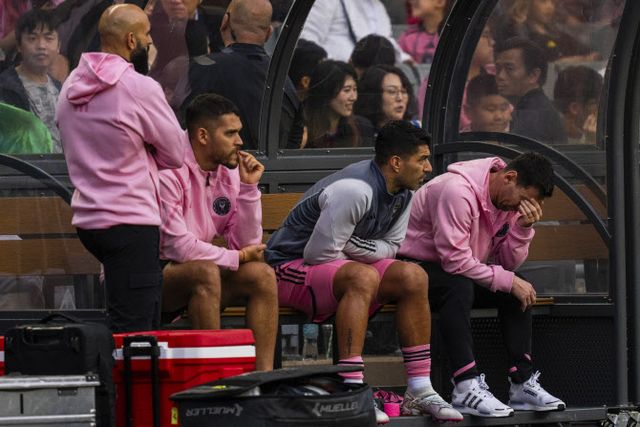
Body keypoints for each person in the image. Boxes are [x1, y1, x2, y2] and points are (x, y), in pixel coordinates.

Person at [266, 121, 464, 424]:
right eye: (422, 159)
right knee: (363, 276)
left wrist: (348, 245)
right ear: (396, 163)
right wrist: (359, 251)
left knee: (413, 276)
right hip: (287, 268)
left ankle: (420, 388)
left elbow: (391, 248)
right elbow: (317, 254)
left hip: (336, 268)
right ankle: (352, 387)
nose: (428, 168)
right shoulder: (355, 190)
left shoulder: (405, 192)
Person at [398, 152, 565, 417]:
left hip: (456, 272)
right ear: (509, 177)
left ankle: (522, 383)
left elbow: (506, 264)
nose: (520, 208)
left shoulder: (507, 203)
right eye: (523, 200)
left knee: (517, 289)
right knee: (460, 285)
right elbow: (454, 260)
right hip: (410, 270)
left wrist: (522, 229)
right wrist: (507, 280)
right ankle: (465, 386)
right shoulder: (457, 191)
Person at [56, 4, 185, 332]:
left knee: (123, 319)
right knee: (135, 332)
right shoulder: (139, 87)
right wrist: (146, 148)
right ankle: (123, 369)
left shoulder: (70, 85)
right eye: (146, 34)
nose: (150, 41)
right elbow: (176, 153)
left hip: (89, 221)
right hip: (131, 221)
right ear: (131, 40)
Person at [159, 94, 278, 371]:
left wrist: (249, 190)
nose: (240, 141)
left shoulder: (228, 173)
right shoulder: (169, 170)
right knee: (205, 272)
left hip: (201, 280)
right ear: (203, 136)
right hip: (154, 279)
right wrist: (236, 257)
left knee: (261, 275)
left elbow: (246, 244)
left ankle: (262, 381)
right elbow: (177, 247)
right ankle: (216, 379)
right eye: (230, 133)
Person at [185, 0, 303, 150]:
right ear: (269, 33)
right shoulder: (284, 81)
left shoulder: (201, 68)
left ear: (225, 22)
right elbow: (294, 140)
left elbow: (180, 129)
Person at [0, 9, 62, 152]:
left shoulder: (61, 88)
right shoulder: (5, 88)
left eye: (49, 38)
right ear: (19, 46)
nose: (41, 46)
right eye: (32, 38)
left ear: (58, 46)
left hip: (60, 165)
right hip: (23, 164)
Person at [495, 37, 567, 144]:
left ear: (533, 75)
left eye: (509, 68)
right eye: (498, 68)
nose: (500, 76)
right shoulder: (536, 107)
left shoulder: (531, 116)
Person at [299, 0, 410, 63]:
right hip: (336, 82)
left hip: (372, 82)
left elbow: (386, 40)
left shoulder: (378, 6)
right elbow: (307, 42)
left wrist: (404, 58)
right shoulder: (327, 1)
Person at [303, 60, 370, 149]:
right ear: (327, 91)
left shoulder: (361, 128)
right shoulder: (303, 129)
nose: (354, 97)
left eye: (355, 89)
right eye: (347, 90)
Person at [354, 64, 416, 138]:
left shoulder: (416, 131)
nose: (400, 98)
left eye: (404, 91)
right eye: (392, 91)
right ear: (373, 97)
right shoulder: (357, 134)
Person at [553, 65, 603, 145]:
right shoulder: (554, 141)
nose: (602, 110)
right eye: (596, 103)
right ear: (575, 108)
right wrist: (591, 142)